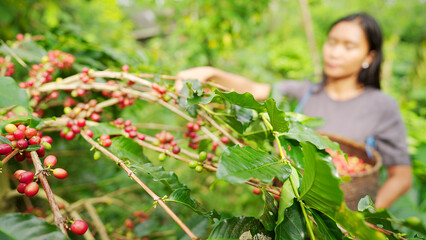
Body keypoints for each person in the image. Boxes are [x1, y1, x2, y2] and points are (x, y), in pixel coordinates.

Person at [177, 13, 412, 209]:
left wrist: (364, 219)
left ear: (369, 57)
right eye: (332, 42)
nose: (335, 52)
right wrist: (210, 73)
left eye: (348, 46)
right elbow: (252, 89)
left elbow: (401, 177)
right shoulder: (301, 92)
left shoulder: (383, 106)